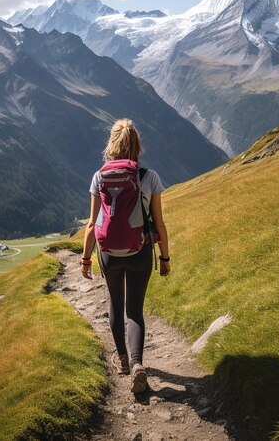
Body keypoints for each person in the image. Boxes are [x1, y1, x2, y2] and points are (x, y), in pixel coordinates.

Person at [81, 118, 171, 394]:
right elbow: (159, 223)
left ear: (111, 144)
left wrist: (86, 258)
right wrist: (165, 258)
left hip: (108, 252)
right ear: (136, 146)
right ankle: (137, 364)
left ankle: (121, 359)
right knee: (134, 310)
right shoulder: (149, 177)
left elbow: (91, 223)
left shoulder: (99, 176)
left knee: (114, 305)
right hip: (139, 250)